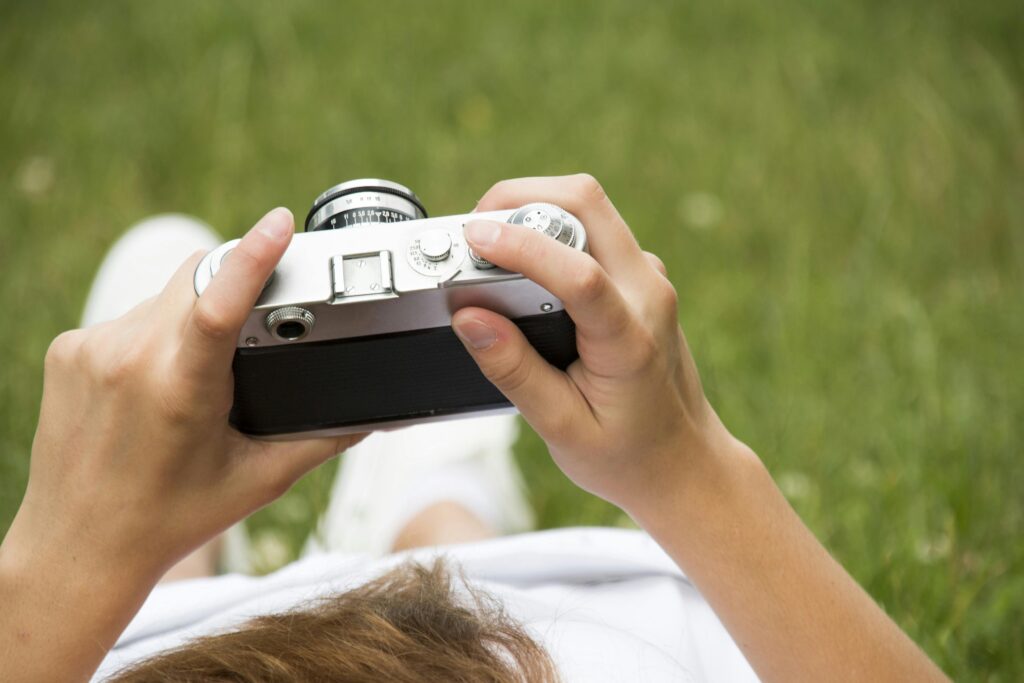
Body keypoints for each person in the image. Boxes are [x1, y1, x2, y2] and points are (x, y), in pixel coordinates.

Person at [0, 175, 947, 682]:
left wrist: (63, 573)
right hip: (555, 655)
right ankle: (435, 516)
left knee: (163, 622)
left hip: (182, 660)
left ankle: (181, 574)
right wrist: (689, 470)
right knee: (484, 574)